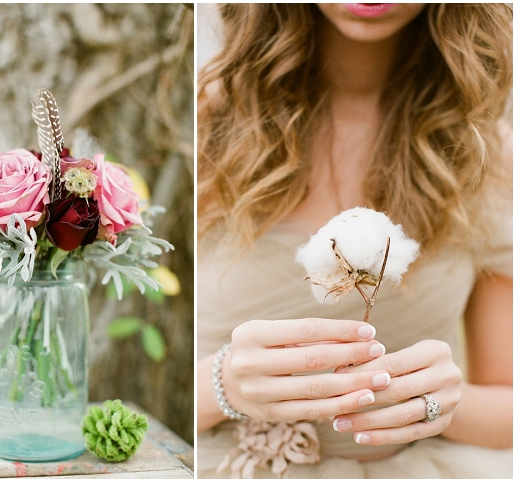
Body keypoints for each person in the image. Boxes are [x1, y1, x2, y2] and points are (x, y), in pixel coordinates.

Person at [197, 4, 512, 478]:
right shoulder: (207, 121)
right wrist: (220, 385)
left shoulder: (483, 151)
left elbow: (507, 407)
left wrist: (446, 404)